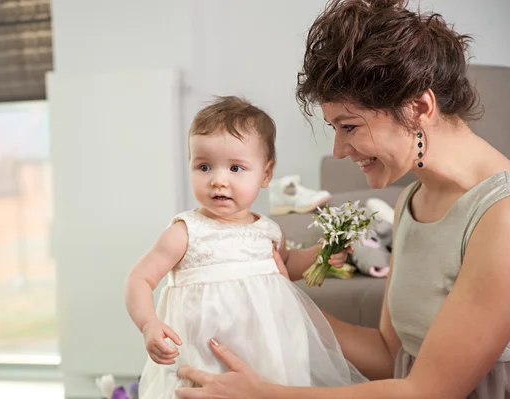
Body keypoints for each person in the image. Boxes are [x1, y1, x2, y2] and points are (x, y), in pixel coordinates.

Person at [173, 1, 510, 398]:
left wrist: (263, 394)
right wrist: (276, 297)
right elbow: (391, 354)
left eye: (348, 126)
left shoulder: (504, 216)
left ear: (419, 107)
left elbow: (428, 391)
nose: (338, 149)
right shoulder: (413, 201)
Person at [124, 96, 364, 399]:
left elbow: (286, 268)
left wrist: (323, 253)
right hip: (206, 357)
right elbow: (139, 279)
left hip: (270, 355)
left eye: (236, 168)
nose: (218, 180)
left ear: (265, 174)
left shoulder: (268, 232)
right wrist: (149, 324)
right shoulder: (185, 232)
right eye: (204, 166)